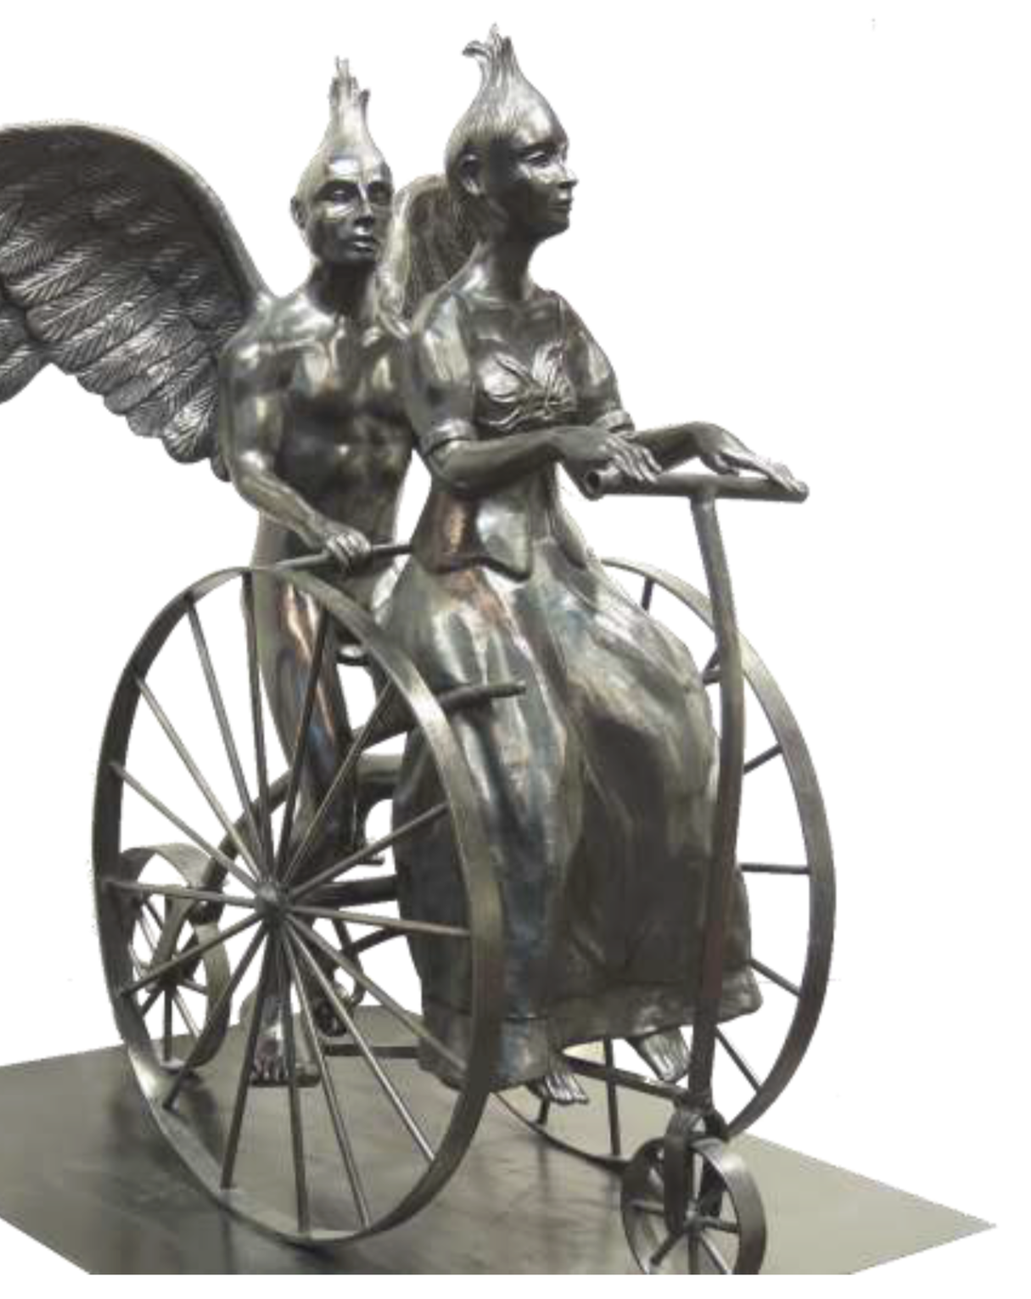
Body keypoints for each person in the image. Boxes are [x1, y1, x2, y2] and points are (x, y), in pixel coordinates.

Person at [387, 28, 796, 1102]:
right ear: (480, 182)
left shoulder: (558, 321)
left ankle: (650, 992)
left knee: (670, 728)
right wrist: (552, 440)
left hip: (555, 577)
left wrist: (693, 434)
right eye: (540, 156)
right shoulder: (438, 327)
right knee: (532, 779)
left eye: (561, 152)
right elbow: (451, 461)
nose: (566, 174)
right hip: (462, 579)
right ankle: (505, 1024)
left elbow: (606, 453)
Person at [219, 62, 412, 1083]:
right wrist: (314, 523)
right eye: (341, 195)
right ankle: (275, 1006)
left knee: (474, 753)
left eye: (379, 194)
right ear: (301, 216)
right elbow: (244, 465)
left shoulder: (409, 344)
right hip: (295, 586)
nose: (365, 211)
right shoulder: (268, 343)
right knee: (327, 792)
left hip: (387, 584)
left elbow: (454, 450)